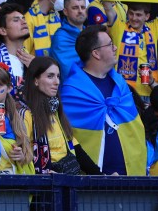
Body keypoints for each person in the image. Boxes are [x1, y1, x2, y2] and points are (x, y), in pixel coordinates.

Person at [62, 25, 146, 176]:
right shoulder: (72, 90)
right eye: (109, 44)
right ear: (96, 53)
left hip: (132, 177)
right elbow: (69, 139)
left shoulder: (120, 84)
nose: (115, 48)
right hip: (91, 184)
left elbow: (136, 128)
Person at [21, 56, 82, 174]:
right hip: (44, 187)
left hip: (67, 182)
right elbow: (24, 157)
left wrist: (102, 175)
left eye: (58, 76)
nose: (57, 82)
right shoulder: (26, 114)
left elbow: (76, 149)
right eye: (50, 76)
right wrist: (44, 175)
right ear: (36, 80)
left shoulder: (55, 109)